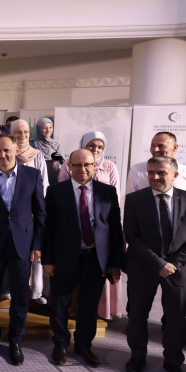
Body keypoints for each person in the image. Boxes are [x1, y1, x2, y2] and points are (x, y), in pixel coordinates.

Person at [124, 156, 186, 372]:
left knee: (176, 320)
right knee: (138, 315)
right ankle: (137, 357)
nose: (155, 177)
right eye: (151, 172)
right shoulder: (134, 199)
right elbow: (131, 235)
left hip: (179, 270)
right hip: (143, 266)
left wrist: (173, 263)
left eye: (161, 173)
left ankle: (173, 363)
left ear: (175, 175)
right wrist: (157, 263)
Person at [42, 149, 124, 367]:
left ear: (95, 165)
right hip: (64, 257)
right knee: (60, 303)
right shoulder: (56, 191)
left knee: (89, 305)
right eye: (77, 165)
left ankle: (84, 345)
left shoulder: (107, 192)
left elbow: (115, 230)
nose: (82, 169)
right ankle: (60, 344)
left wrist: (115, 263)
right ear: (69, 166)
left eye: (87, 164)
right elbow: (48, 229)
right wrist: (47, 260)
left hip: (95, 258)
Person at [0, 135, 46, 366]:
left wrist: (37, 245)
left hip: (21, 244)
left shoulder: (32, 175)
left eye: (6, 151)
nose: (2, 155)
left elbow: (41, 213)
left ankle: (15, 339)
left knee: (20, 295)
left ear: (16, 151)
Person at [59, 131, 124, 319]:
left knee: (91, 296)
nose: (95, 149)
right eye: (91, 145)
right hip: (70, 242)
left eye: (100, 147)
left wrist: (116, 258)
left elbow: (114, 213)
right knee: (64, 295)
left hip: (97, 246)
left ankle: (96, 321)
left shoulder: (110, 169)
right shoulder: (66, 167)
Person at [9, 119, 50, 305]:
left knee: (35, 251)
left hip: (33, 208)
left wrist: (37, 206)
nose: (22, 136)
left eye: (25, 132)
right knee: (13, 251)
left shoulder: (37, 155)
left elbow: (44, 182)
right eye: (18, 132)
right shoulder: (7, 152)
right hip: (13, 210)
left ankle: (36, 291)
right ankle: (10, 288)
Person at [126, 132, 186, 197]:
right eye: (152, 145)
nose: (155, 149)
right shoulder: (137, 170)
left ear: (175, 147)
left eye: (161, 146)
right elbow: (130, 202)